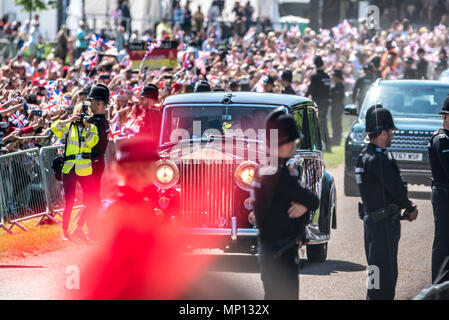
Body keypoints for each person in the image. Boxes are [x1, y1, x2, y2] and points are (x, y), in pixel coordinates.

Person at [252, 108, 319, 300]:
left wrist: (304, 207)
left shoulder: (263, 170)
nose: (295, 145)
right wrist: (305, 205)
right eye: (293, 141)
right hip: (281, 254)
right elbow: (312, 200)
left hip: (270, 250)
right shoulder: (278, 174)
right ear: (285, 143)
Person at [356, 105, 419, 300]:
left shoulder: (364, 157)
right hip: (383, 225)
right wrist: (409, 208)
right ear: (383, 132)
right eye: (391, 131)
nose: (392, 135)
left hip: (372, 223)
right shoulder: (379, 159)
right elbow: (395, 188)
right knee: (386, 276)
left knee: (375, 274)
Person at [51, 102, 99, 241]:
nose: (82, 116)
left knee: (91, 199)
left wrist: (88, 127)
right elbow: (54, 127)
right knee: (70, 200)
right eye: (79, 114)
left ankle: (78, 227)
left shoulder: (92, 128)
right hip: (69, 167)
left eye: (84, 114)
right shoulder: (69, 126)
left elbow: (91, 143)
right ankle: (64, 231)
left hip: (84, 168)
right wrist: (69, 120)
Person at [428, 96, 449, 284]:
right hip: (444, 195)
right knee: (443, 242)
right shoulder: (442, 140)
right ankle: (438, 284)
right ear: (446, 117)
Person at [306, 56, 331, 150]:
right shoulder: (327, 77)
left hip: (317, 102)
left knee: (317, 124)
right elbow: (328, 90)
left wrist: (304, 96)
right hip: (326, 102)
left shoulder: (314, 77)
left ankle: (319, 146)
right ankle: (327, 145)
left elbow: (311, 89)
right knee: (324, 124)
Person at [330, 69, 345, 146]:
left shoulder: (339, 85)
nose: (332, 77)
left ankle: (336, 139)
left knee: (336, 123)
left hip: (337, 106)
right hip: (336, 105)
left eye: (334, 76)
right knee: (335, 123)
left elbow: (337, 97)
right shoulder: (337, 85)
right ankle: (336, 139)